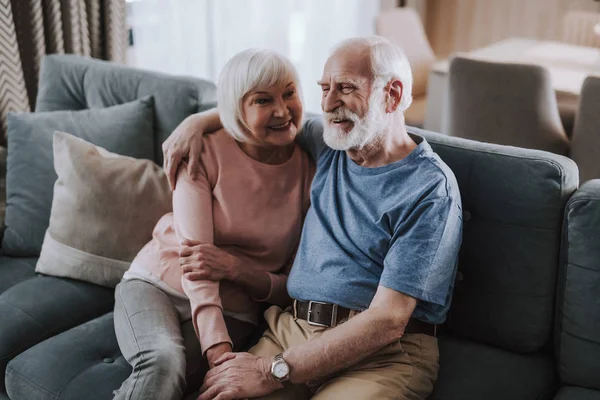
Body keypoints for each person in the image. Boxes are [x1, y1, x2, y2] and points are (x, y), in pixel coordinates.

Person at [165, 36, 462, 400]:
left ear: (393, 95)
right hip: (293, 330)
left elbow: (388, 320)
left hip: (384, 356)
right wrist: (194, 123)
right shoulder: (332, 140)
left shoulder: (430, 188)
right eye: (325, 89)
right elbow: (265, 118)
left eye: (347, 88)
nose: (330, 103)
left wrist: (270, 370)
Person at [112, 48, 315, 400]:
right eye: (263, 100)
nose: (282, 110)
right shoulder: (201, 151)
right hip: (158, 283)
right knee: (163, 363)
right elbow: (196, 263)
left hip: (237, 310)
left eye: (290, 92)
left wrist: (236, 269)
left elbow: (291, 288)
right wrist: (218, 351)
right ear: (236, 108)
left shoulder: (312, 176)